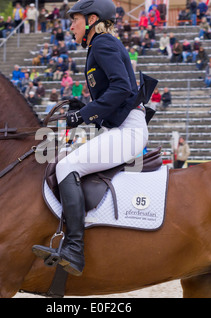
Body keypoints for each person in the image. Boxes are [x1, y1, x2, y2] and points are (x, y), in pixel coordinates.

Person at [32, 0, 156, 277]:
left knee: (66, 166)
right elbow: (114, 94)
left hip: (128, 130)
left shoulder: (103, 43)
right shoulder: (98, 46)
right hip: (118, 128)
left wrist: (84, 115)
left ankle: (74, 249)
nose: (71, 26)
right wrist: (86, 108)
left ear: (91, 20)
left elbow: (122, 87)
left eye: (74, 20)